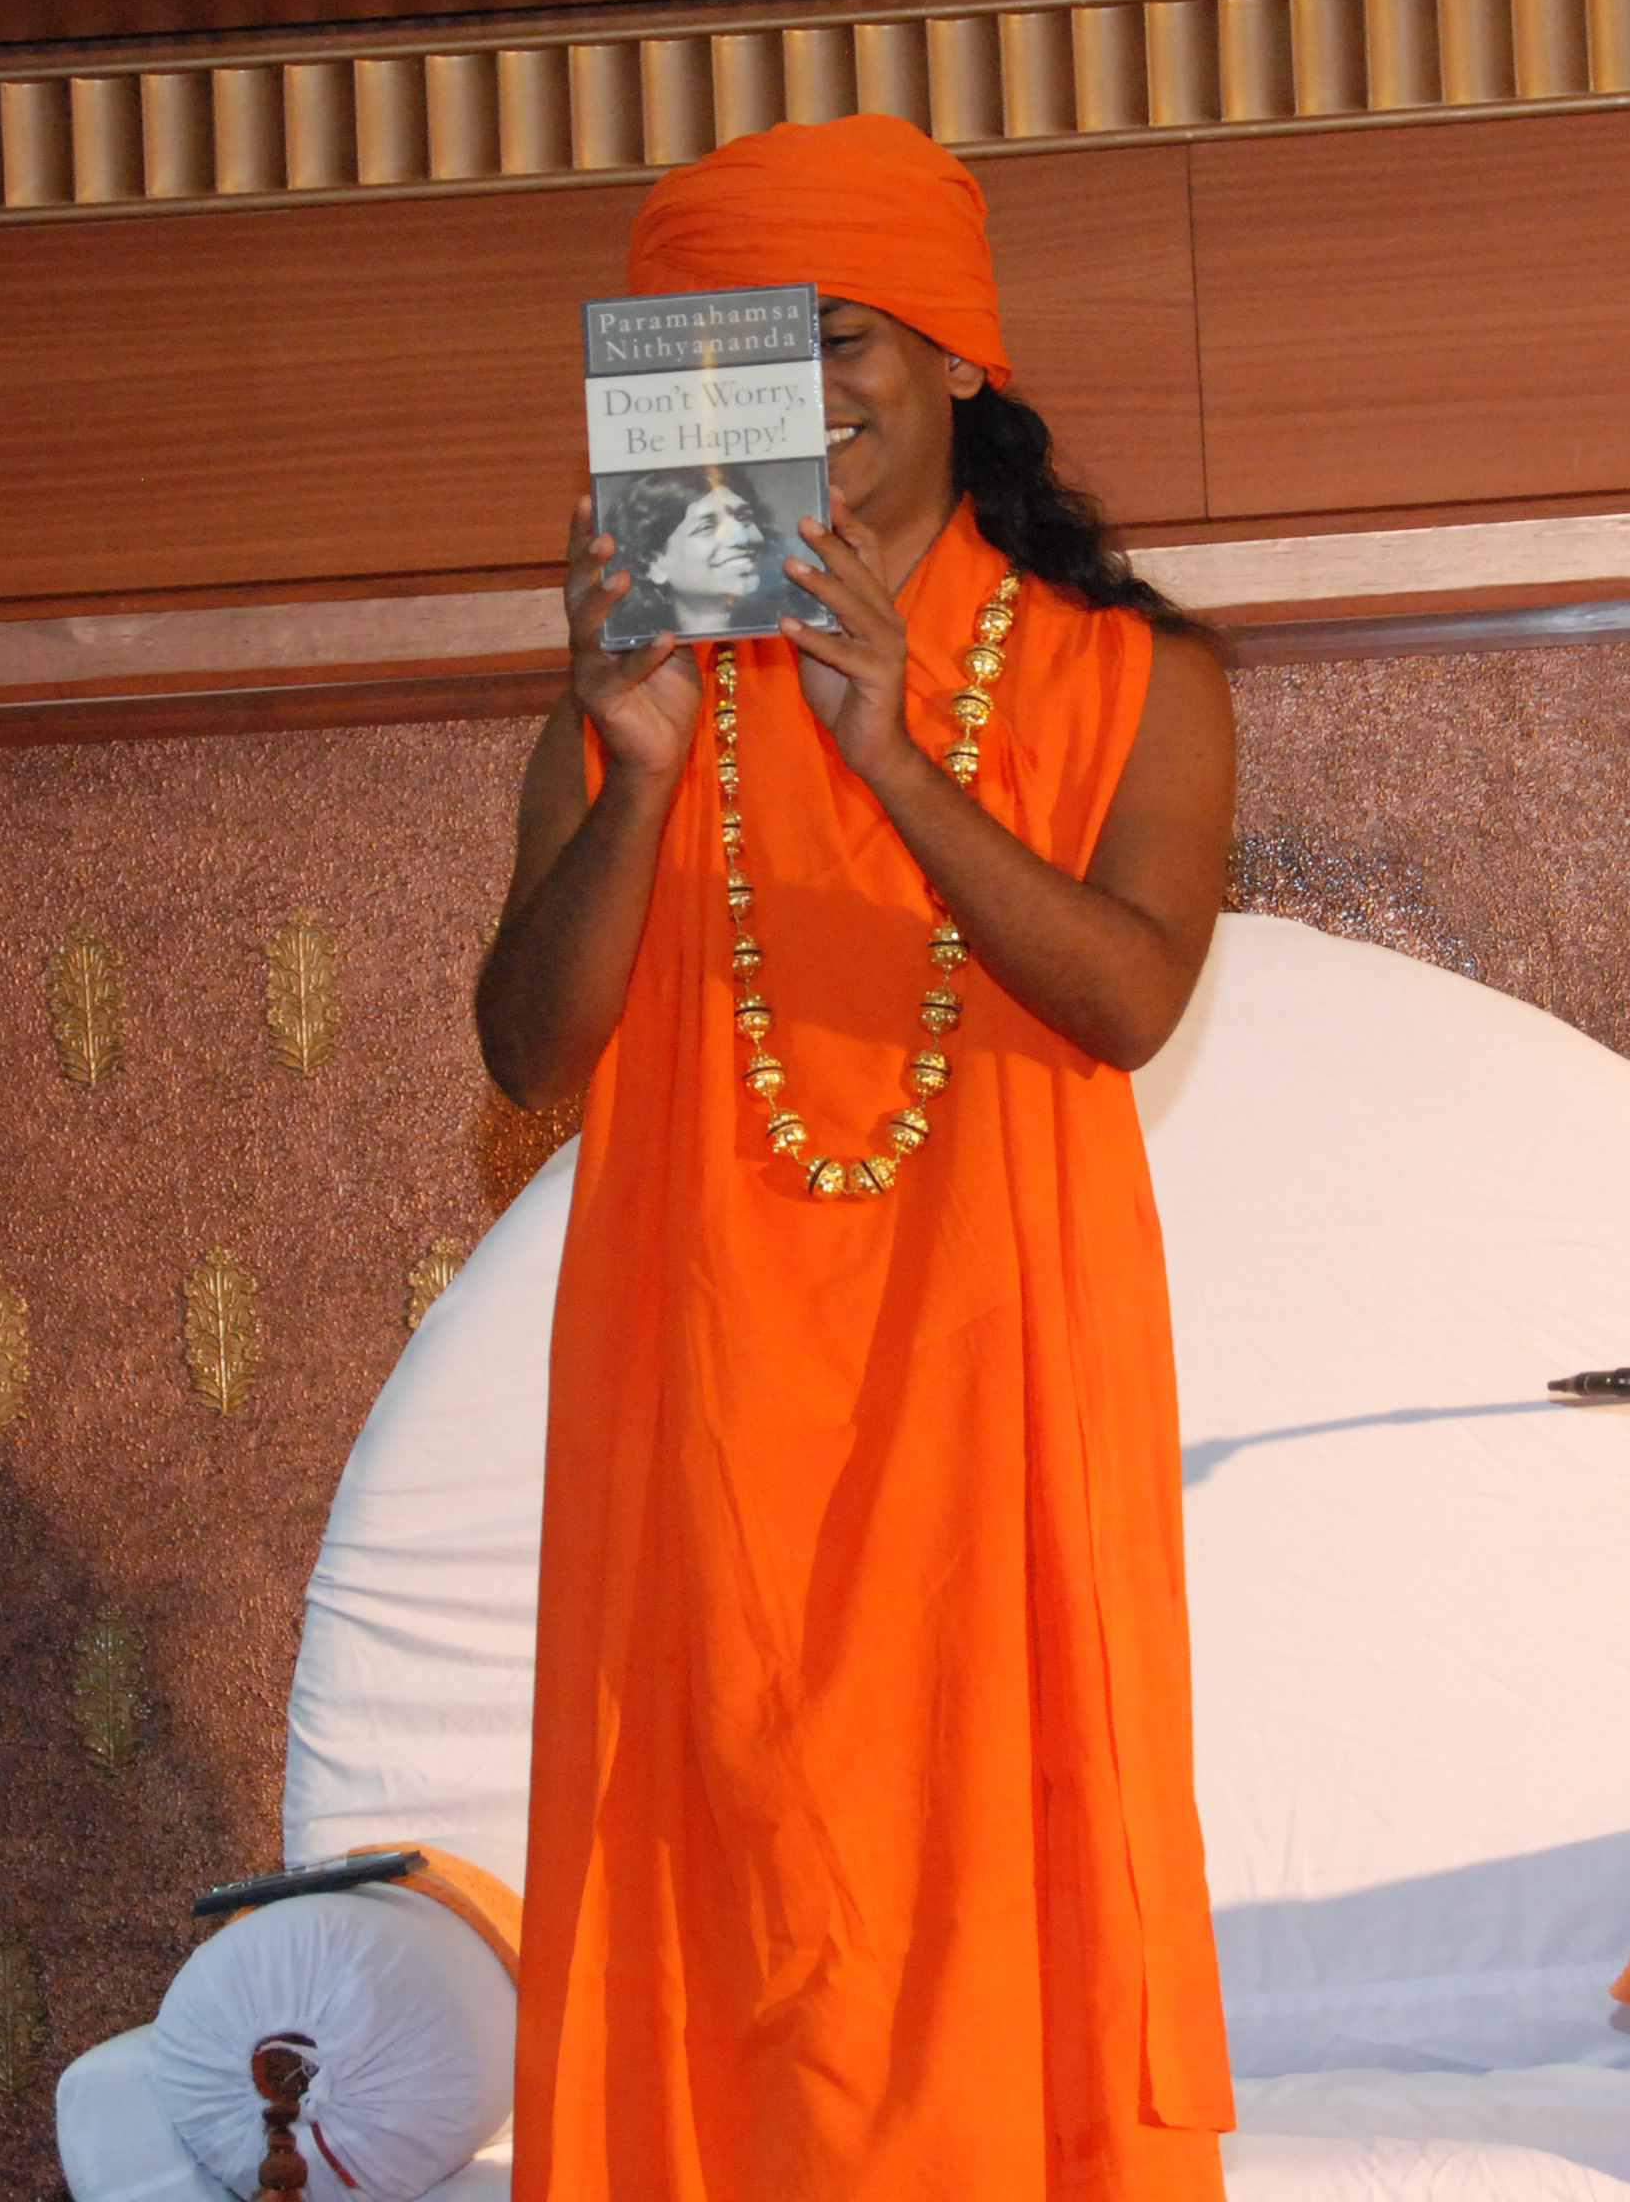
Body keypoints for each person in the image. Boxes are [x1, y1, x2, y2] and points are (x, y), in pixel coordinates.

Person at [475, 113, 1239, 2199]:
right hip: (703, 1393)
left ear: (959, 355)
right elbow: (527, 1049)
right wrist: (637, 775)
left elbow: (1128, 998)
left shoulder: (1130, 674)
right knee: (723, 1908)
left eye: (834, 338)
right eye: (736, 354)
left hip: (999, 1390)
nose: (795, 395)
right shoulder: (632, 686)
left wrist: (887, 754)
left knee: (1002, 1886)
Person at [604, 461, 812, 642]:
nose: (742, 538)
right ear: (652, 564)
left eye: (744, 518)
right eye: (707, 527)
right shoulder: (627, 652)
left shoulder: (807, 629)